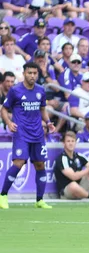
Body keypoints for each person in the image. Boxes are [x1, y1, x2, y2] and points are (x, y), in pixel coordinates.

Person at [0, 63, 55, 210]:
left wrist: (48, 122)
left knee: (40, 165)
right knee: (19, 163)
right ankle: (3, 195)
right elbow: (4, 109)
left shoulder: (40, 91)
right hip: (21, 134)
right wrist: (8, 122)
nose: (32, 76)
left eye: (35, 73)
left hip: (38, 134)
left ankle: (39, 200)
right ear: (24, 73)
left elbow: (42, 109)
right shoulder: (15, 90)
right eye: (30, 73)